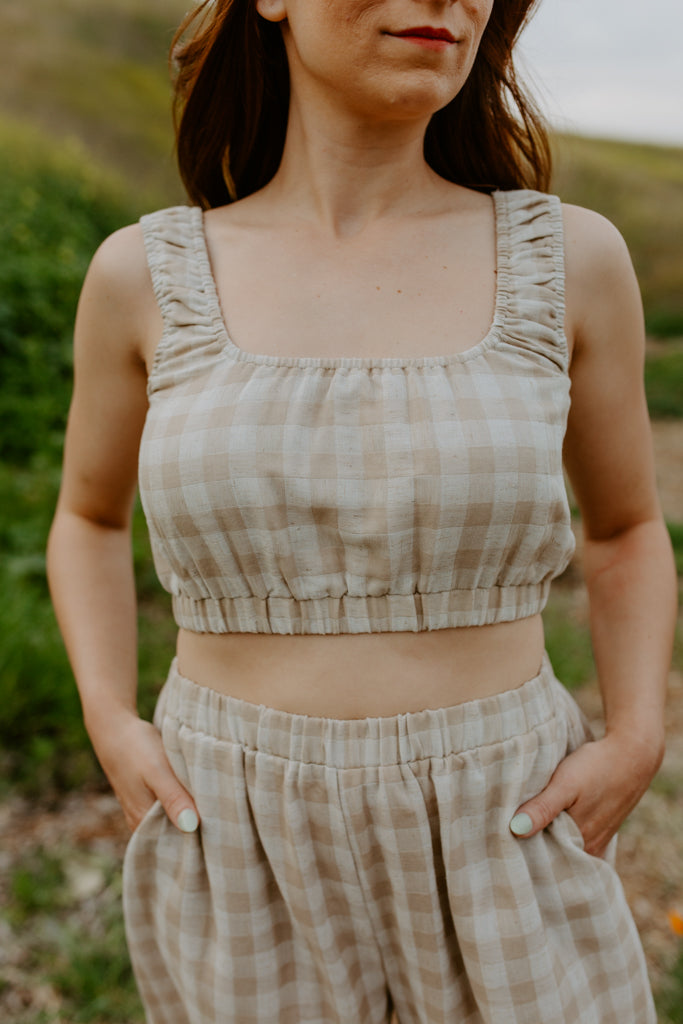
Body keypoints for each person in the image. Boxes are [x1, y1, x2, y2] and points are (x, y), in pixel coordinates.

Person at [46, 0, 677, 1021]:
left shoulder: (568, 258)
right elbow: (88, 517)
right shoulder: (143, 275)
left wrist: (637, 732)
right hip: (234, 822)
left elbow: (625, 528)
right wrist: (109, 719)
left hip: (504, 812)